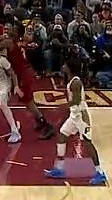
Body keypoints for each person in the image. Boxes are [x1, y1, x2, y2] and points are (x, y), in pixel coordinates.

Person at [45, 57, 107, 185]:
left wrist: (61, 106)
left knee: (88, 144)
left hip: (81, 117)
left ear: (69, 68)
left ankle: (100, 172)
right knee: (62, 135)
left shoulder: (76, 83)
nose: (63, 66)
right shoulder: (71, 80)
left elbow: (76, 101)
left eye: (65, 65)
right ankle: (60, 169)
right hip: (74, 116)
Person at [0, 25, 55, 139]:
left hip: (24, 74)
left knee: (27, 101)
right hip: (25, 71)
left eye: (12, 29)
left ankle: (46, 125)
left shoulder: (9, 42)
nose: (9, 30)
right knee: (28, 99)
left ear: (16, 32)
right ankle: (39, 120)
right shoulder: (18, 41)